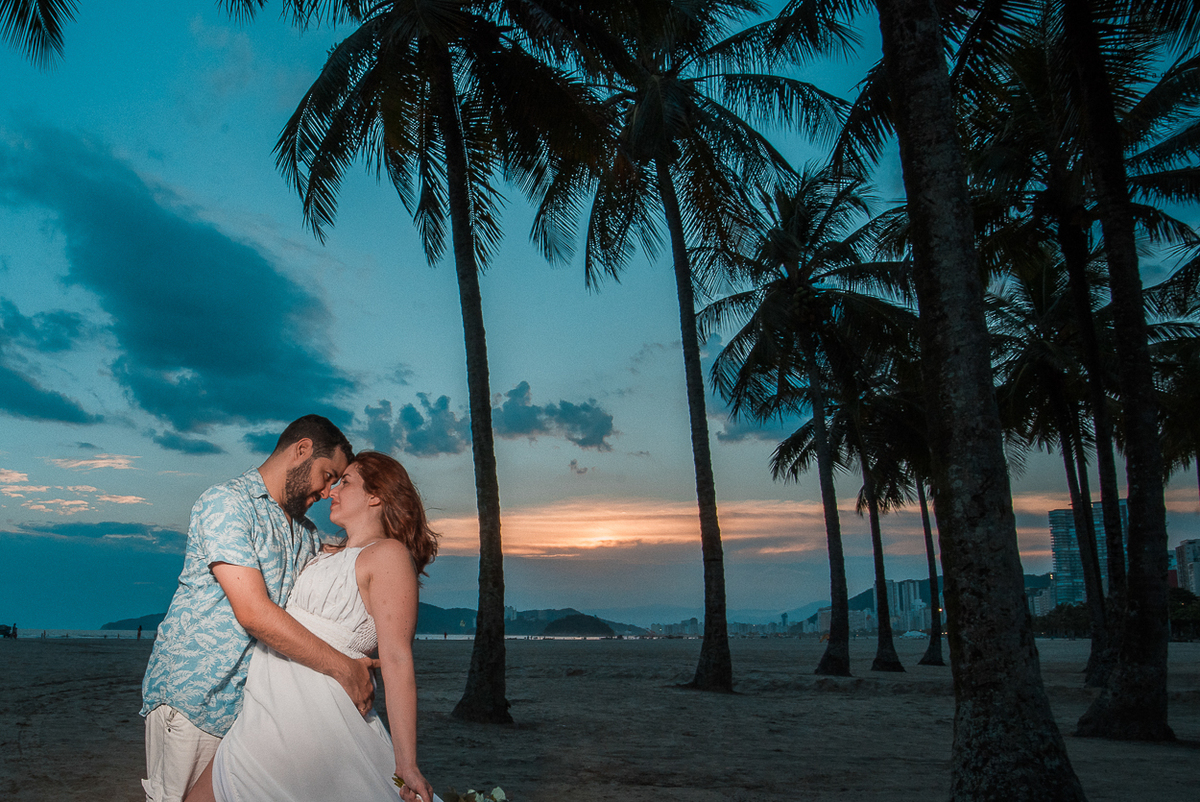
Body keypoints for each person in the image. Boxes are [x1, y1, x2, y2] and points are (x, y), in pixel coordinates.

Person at [140, 414, 373, 802]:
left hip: (254, 713)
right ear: (301, 450)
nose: (329, 490)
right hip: (198, 699)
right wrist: (341, 667)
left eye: (338, 482)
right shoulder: (226, 503)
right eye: (328, 474)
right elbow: (252, 611)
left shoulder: (306, 534)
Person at [186, 451, 439, 802]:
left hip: (315, 715)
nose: (332, 490)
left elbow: (396, 658)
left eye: (345, 482)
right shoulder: (321, 550)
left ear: (375, 495)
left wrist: (407, 762)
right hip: (266, 708)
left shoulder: (389, 555)